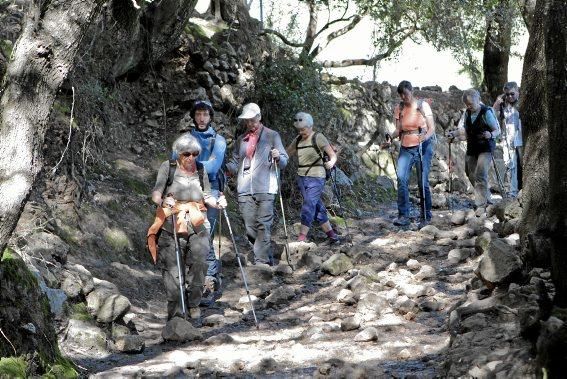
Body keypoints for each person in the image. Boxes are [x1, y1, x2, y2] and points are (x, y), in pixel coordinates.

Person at [149, 134, 226, 322]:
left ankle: (193, 304)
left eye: (195, 154)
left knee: (200, 262)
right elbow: (156, 193)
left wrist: (218, 202)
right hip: (171, 223)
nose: (191, 158)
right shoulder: (168, 167)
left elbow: (207, 195)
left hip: (198, 222)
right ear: (178, 154)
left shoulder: (200, 170)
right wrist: (162, 200)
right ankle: (175, 315)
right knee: (172, 271)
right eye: (187, 154)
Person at [226, 103, 288, 266]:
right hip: (245, 189)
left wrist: (278, 156)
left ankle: (261, 262)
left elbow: (284, 161)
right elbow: (235, 160)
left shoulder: (272, 135)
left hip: (266, 187)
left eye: (252, 120)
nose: (250, 123)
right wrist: (227, 169)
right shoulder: (242, 140)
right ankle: (264, 254)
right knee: (249, 226)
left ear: (259, 117)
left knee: (263, 223)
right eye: (247, 121)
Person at [187, 100, 227, 305]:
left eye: (205, 114)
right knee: (190, 233)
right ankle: (195, 278)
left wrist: (189, 163)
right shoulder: (186, 138)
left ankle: (208, 280)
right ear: (194, 117)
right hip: (186, 190)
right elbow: (173, 163)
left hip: (210, 190)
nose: (201, 118)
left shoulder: (218, 141)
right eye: (198, 114)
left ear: (210, 117)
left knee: (205, 233)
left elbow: (213, 167)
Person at [386, 80, 436, 227]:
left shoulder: (423, 105)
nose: (403, 97)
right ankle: (403, 215)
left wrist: (424, 138)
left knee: (422, 181)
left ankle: (425, 216)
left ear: (411, 91)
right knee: (401, 180)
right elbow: (398, 130)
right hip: (406, 146)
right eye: (401, 95)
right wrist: (390, 138)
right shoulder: (399, 108)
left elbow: (431, 128)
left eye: (405, 94)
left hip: (424, 146)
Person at [285, 112, 340, 244]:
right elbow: (287, 154)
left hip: (317, 176)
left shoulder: (318, 137)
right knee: (316, 206)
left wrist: (331, 162)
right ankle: (332, 235)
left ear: (310, 126)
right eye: (299, 129)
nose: (301, 131)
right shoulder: (298, 140)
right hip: (302, 178)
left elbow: (332, 155)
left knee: (308, 205)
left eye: (303, 129)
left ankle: (302, 237)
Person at [448, 89, 500, 209]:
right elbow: (465, 130)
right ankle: (486, 197)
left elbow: (497, 130)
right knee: (469, 172)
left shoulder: (486, 112)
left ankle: (481, 205)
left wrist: (491, 135)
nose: (469, 106)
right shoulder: (467, 113)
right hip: (472, 146)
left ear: (478, 100)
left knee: (480, 174)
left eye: (471, 104)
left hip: (485, 147)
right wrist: (454, 134)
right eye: (467, 104)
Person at [492, 81, 522, 198]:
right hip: (509, 140)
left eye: (512, 94)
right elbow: (492, 114)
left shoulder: (522, 104)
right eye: (507, 94)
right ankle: (513, 192)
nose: (510, 96)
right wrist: (498, 101)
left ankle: (519, 191)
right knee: (511, 166)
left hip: (520, 139)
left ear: (517, 92)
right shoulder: (504, 106)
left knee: (521, 164)